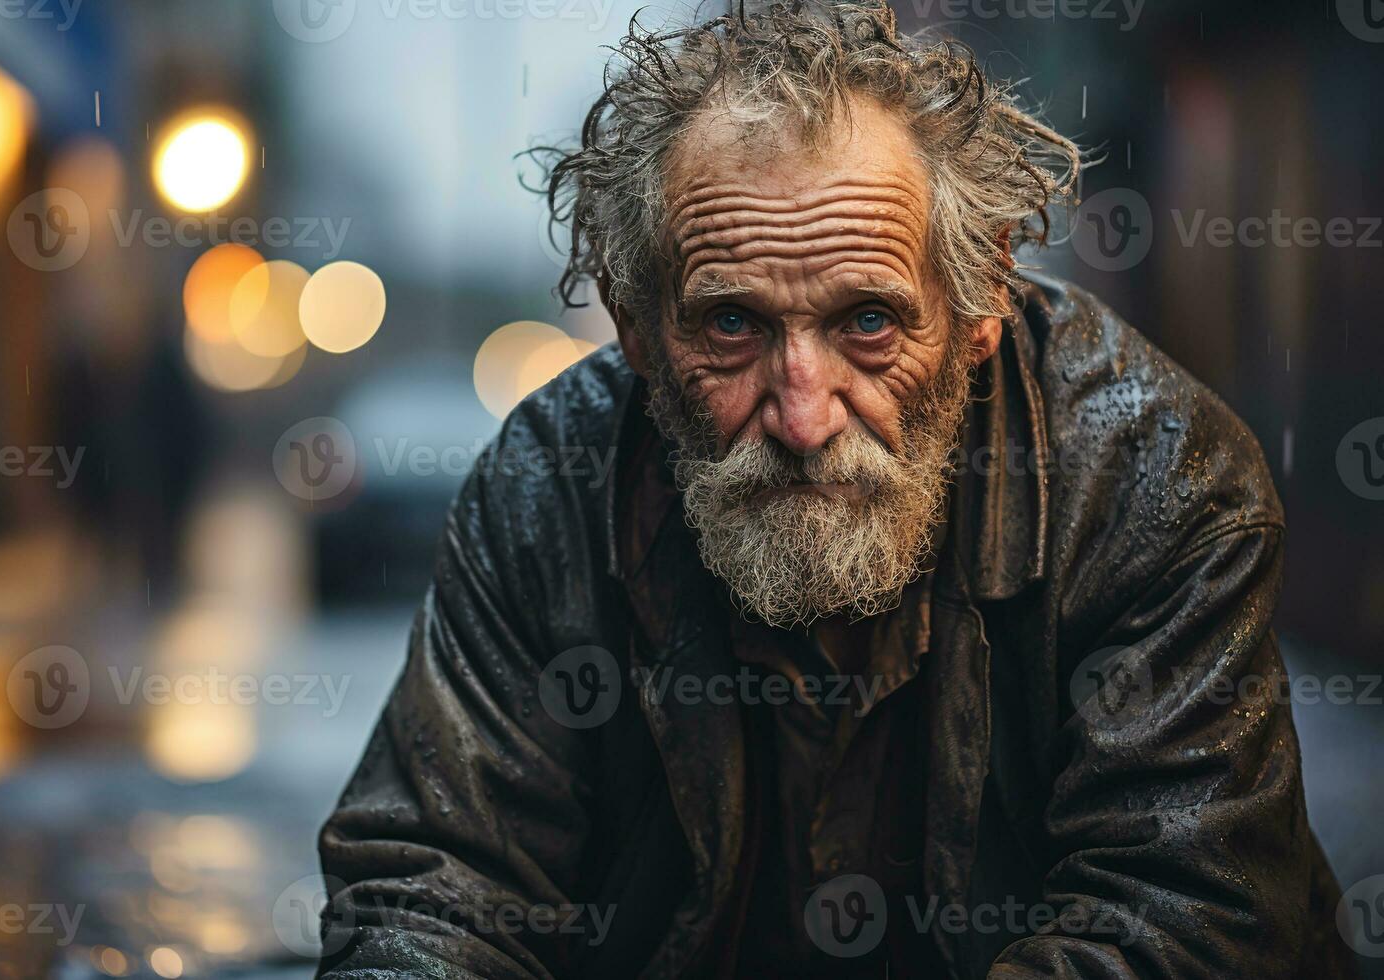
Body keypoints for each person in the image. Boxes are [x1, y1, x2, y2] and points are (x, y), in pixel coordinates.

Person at [317, 3, 1354, 976]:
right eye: (732, 325)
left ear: (980, 300)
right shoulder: (548, 487)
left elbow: (1184, 918)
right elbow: (431, 887)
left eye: (868, 322)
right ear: (637, 325)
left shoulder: (1147, 478)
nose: (805, 417)